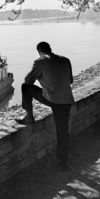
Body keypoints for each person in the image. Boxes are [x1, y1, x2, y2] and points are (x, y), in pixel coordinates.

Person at [15, 42, 75, 170]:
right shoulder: (65, 60)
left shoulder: (40, 61)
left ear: (39, 52)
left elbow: (27, 81)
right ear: (50, 49)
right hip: (67, 99)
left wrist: (42, 78)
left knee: (25, 87)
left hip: (52, 98)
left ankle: (29, 117)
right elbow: (70, 81)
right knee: (63, 130)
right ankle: (63, 162)